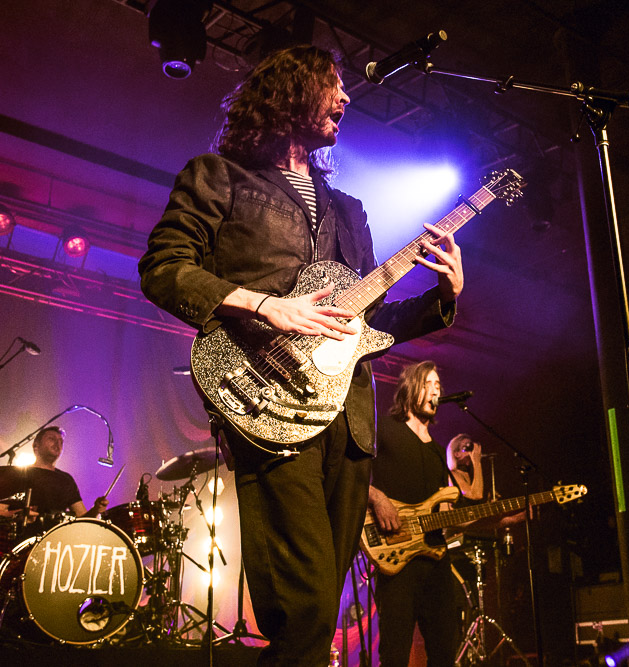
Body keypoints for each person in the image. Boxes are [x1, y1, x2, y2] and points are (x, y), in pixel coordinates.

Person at [137, 46, 462, 666]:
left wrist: (444, 297)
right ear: (292, 89)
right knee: (306, 604)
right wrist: (265, 305)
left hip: (348, 419)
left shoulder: (350, 211)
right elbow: (163, 268)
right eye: (333, 86)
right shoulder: (219, 175)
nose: (345, 99)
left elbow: (366, 321)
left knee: (316, 616)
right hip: (268, 401)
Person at [368, 361, 466, 667]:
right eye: (429, 383)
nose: (437, 389)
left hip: (437, 562)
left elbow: (449, 513)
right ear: (411, 387)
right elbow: (348, 474)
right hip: (396, 561)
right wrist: (377, 497)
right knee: (395, 654)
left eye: (439, 385)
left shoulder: (438, 451)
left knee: (443, 654)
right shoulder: (383, 429)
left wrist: (504, 517)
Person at [0, 426, 108, 521]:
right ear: (36, 445)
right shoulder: (16, 474)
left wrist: (96, 509)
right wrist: (17, 514)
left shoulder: (66, 480)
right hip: (19, 542)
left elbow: (82, 518)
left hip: (55, 545)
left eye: (61, 441)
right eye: (51, 439)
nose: (58, 443)